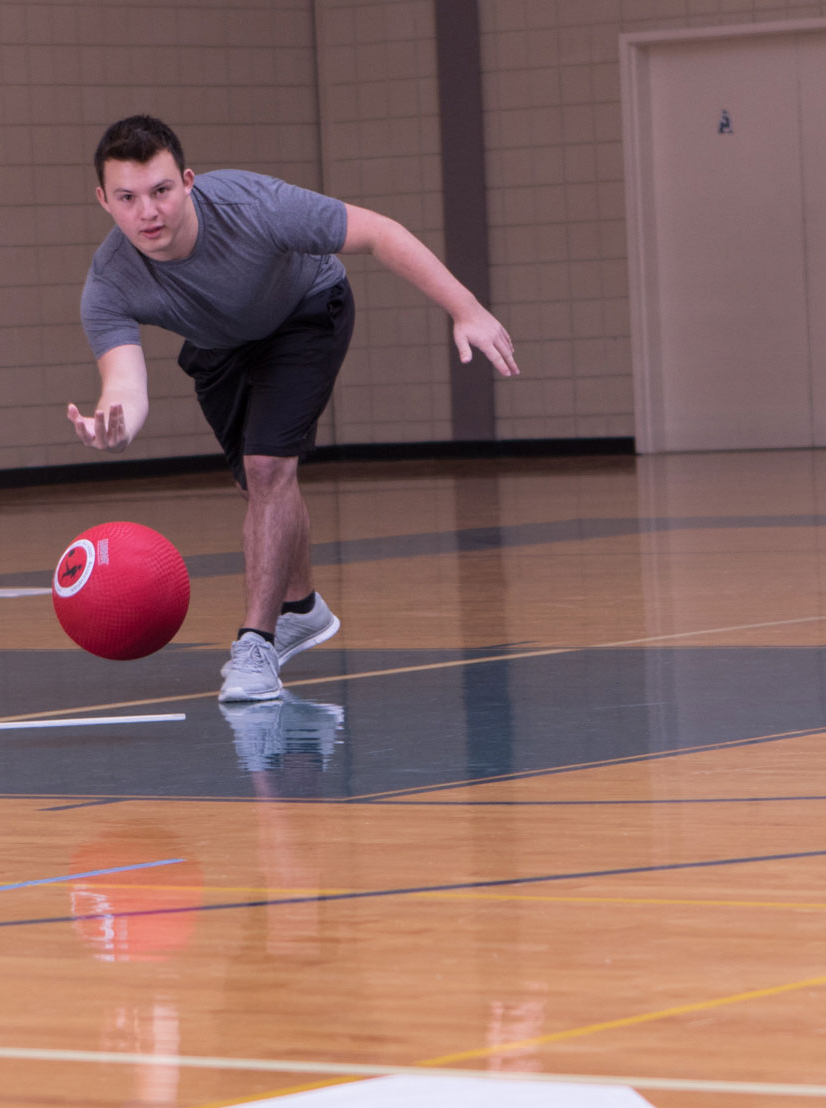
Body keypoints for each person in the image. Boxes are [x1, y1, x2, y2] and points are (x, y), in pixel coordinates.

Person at [68, 115, 517, 702]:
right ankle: (301, 608)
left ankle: (257, 643)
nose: (147, 212)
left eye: (161, 191)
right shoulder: (109, 281)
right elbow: (126, 384)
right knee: (260, 488)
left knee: (268, 468)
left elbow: (381, 232)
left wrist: (467, 309)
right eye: (127, 198)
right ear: (104, 200)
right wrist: (116, 428)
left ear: (189, 182)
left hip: (306, 311)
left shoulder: (254, 206)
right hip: (221, 345)